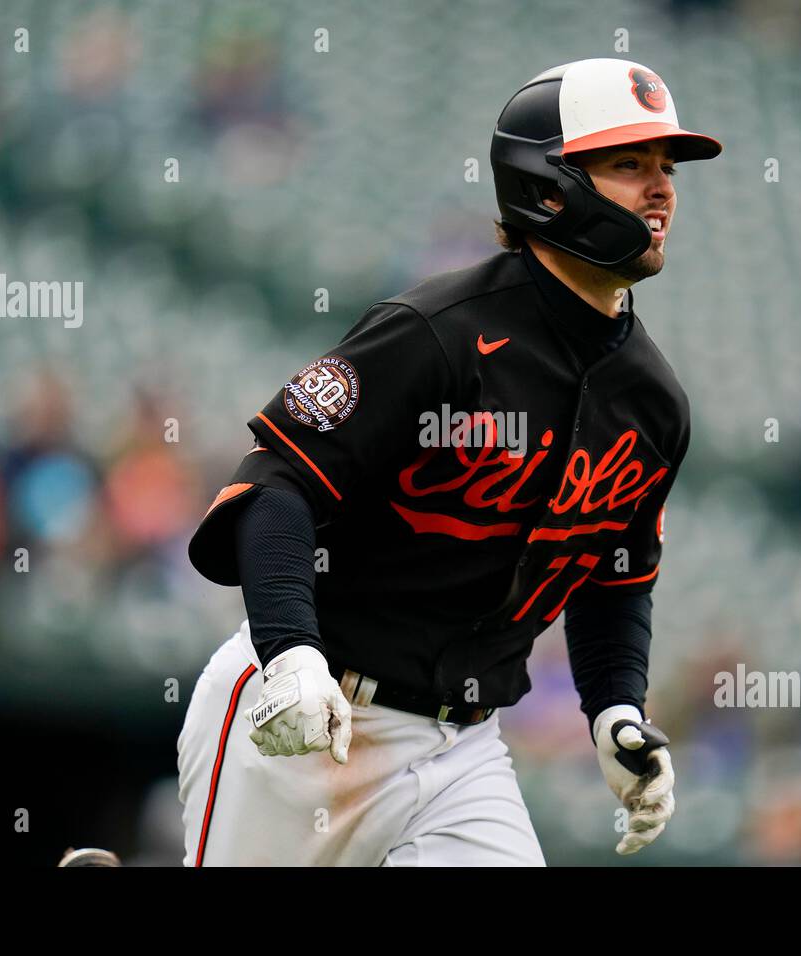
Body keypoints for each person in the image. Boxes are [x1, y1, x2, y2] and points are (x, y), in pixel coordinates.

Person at [177, 58, 720, 866]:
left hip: (464, 750)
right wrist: (290, 650)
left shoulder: (655, 403)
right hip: (312, 712)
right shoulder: (438, 330)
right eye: (628, 163)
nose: (661, 189)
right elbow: (274, 488)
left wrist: (615, 708)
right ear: (547, 184)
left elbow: (614, 572)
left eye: (666, 168)